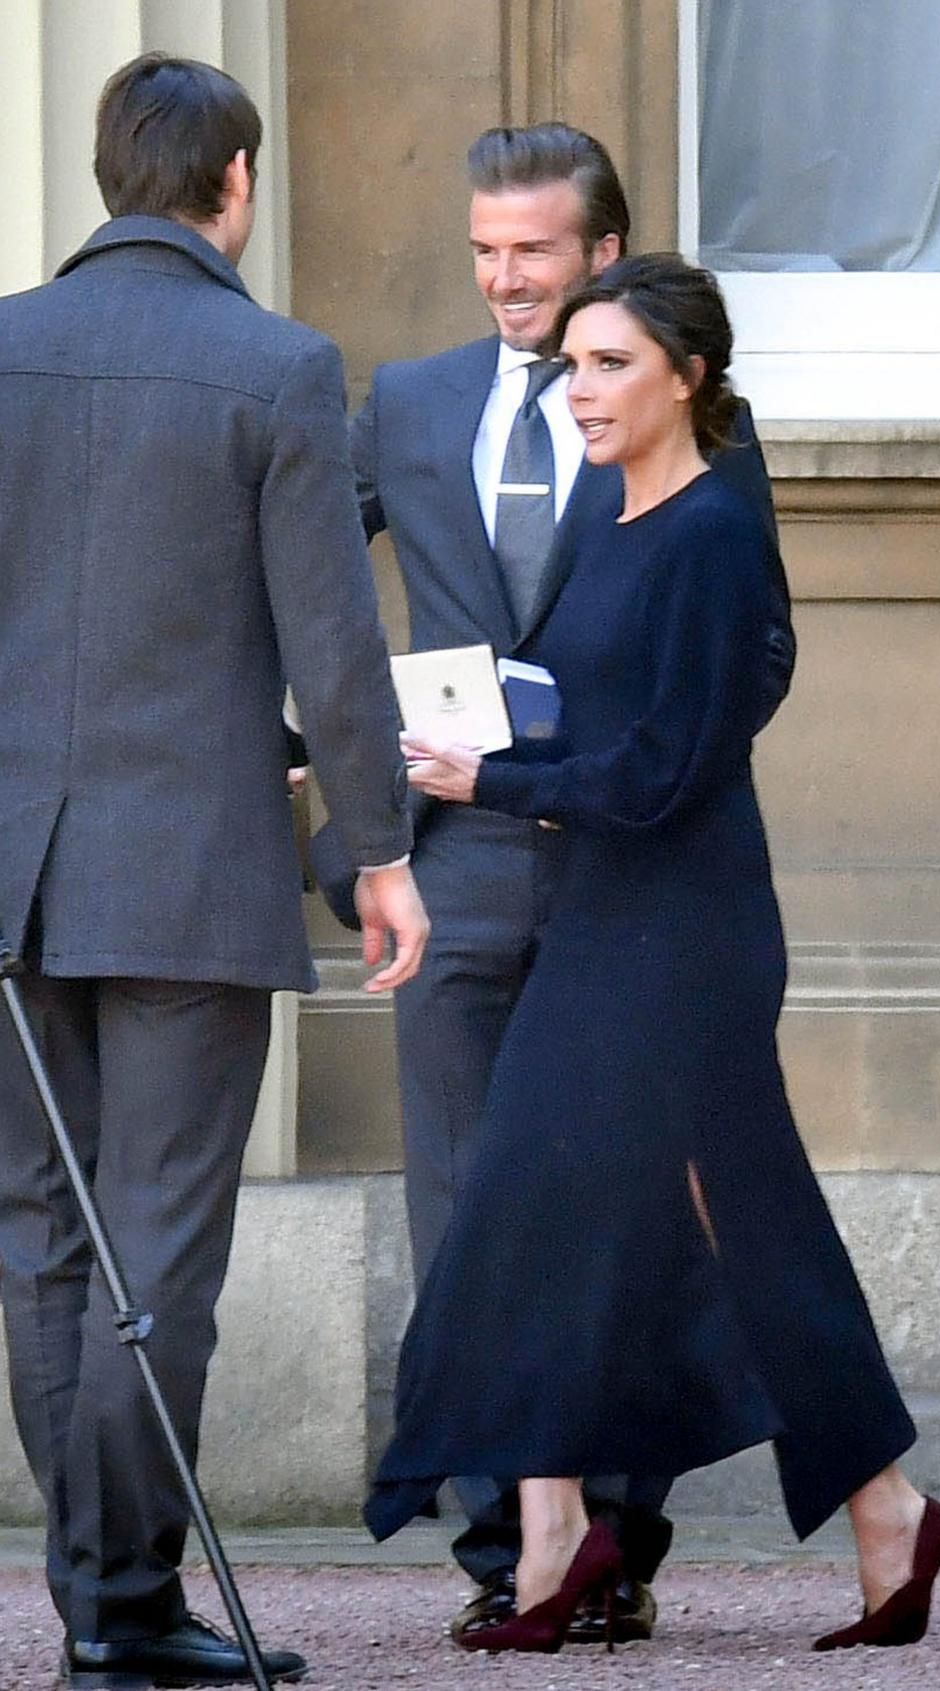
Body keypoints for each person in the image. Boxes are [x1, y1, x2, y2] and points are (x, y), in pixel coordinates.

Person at [364, 255, 940, 1657]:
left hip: (685, 939)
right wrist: (473, 737)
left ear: (687, 378)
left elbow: (664, 772)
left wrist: (491, 784)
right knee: (630, 1224)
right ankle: (854, 1513)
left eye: (610, 364)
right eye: (571, 364)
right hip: (608, 922)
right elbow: (601, 724)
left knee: (588, 1210)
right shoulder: (613, 514)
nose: (579, 389)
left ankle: (596, 1530)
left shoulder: (709, 532)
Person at [334, 120, 794, 1645]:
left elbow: (759, 651)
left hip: (629, 873)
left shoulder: (694, 418)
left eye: (532, 250)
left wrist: (647, 764)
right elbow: (297, 586)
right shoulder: (407, 404)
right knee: (465, 1204)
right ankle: (505, 1548)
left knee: (634, 1205)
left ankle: (619, 1536)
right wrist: (329, 785)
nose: (503, 279)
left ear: (604, 255)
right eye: (483, 249)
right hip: (455, 865)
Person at [0, 53, 428, 1689]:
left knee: (49, 1247)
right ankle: (119, 1614)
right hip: (187, 872)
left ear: (112, 177)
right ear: (233, 184)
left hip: (16, 882)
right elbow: (335, 646)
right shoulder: (278, 366)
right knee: (157, 1251)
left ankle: (102, 1610)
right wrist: (379, 855)